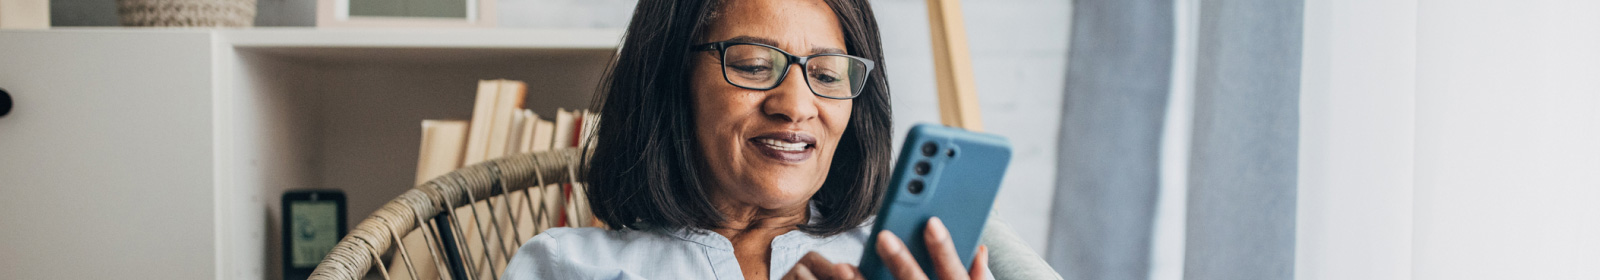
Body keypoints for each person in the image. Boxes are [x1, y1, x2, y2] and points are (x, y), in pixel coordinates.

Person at [503, 0, 989, 279]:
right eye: (754, 65)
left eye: (827, 73)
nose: (797, 106)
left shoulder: (911, 260)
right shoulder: (564, 265)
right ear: (672, 79)